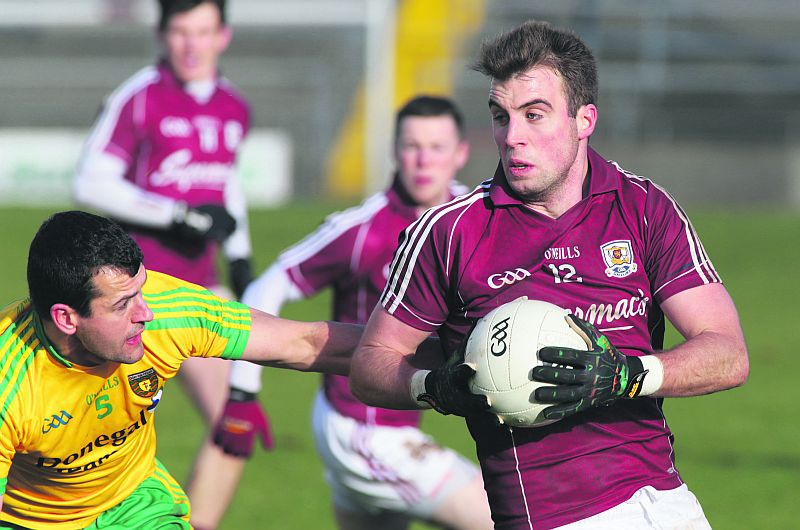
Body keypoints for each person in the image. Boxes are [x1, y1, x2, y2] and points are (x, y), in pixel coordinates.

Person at [349, 20, 749, 530]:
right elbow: (371, 362)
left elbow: (728, 353)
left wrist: (629, 375)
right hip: (552, 518)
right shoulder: (449, 232)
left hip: (668, 504)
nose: (513, 137)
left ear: (584, 119)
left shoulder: (644, 207)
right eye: (500, 116)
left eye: (533, 115)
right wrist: (435, 386)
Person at [216, 96, 493, 530]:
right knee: (507, 517)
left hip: (398, 415)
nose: (423, 160)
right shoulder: (362, 229)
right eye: (411, 146)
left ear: (460, 153)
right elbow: (266, 286)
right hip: (363, 429)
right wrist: (242, 393)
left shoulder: (476, 215)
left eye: (437, 148)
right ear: (394, 151)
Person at [0, 210, 364, 530]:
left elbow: (304, 343)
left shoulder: (168, 309)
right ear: (66, 318)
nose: (145, 312)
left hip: (136, 505)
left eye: (140, 290)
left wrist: (412, 355)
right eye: (123, 304)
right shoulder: (9, 383)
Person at [72, 1, 266, 528]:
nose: (192, 44)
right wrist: (175, 215)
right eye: (180, 32)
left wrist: (240, 256)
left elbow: (225, 185)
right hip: (130, 294)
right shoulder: (139, 96)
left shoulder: (234, 106)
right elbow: (90, 179)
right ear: (162, 34)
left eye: (203, 31)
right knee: (99, 444)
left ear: (222, 35)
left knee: (237, 421)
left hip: (197, 289)